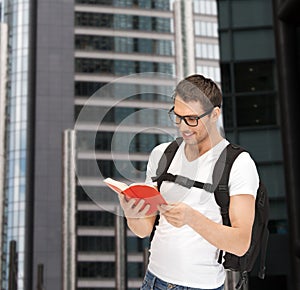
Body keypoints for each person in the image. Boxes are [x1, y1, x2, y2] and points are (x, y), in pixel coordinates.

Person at [119, 74, 259, 290]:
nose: (183, 127)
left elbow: (241, 244)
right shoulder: (162, 154)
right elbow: (144, 230)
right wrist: (131, 212)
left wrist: (191, 218)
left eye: (192, 119)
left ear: (214, 115)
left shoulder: (238, 163)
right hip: (153, 281)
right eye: (178, 116)